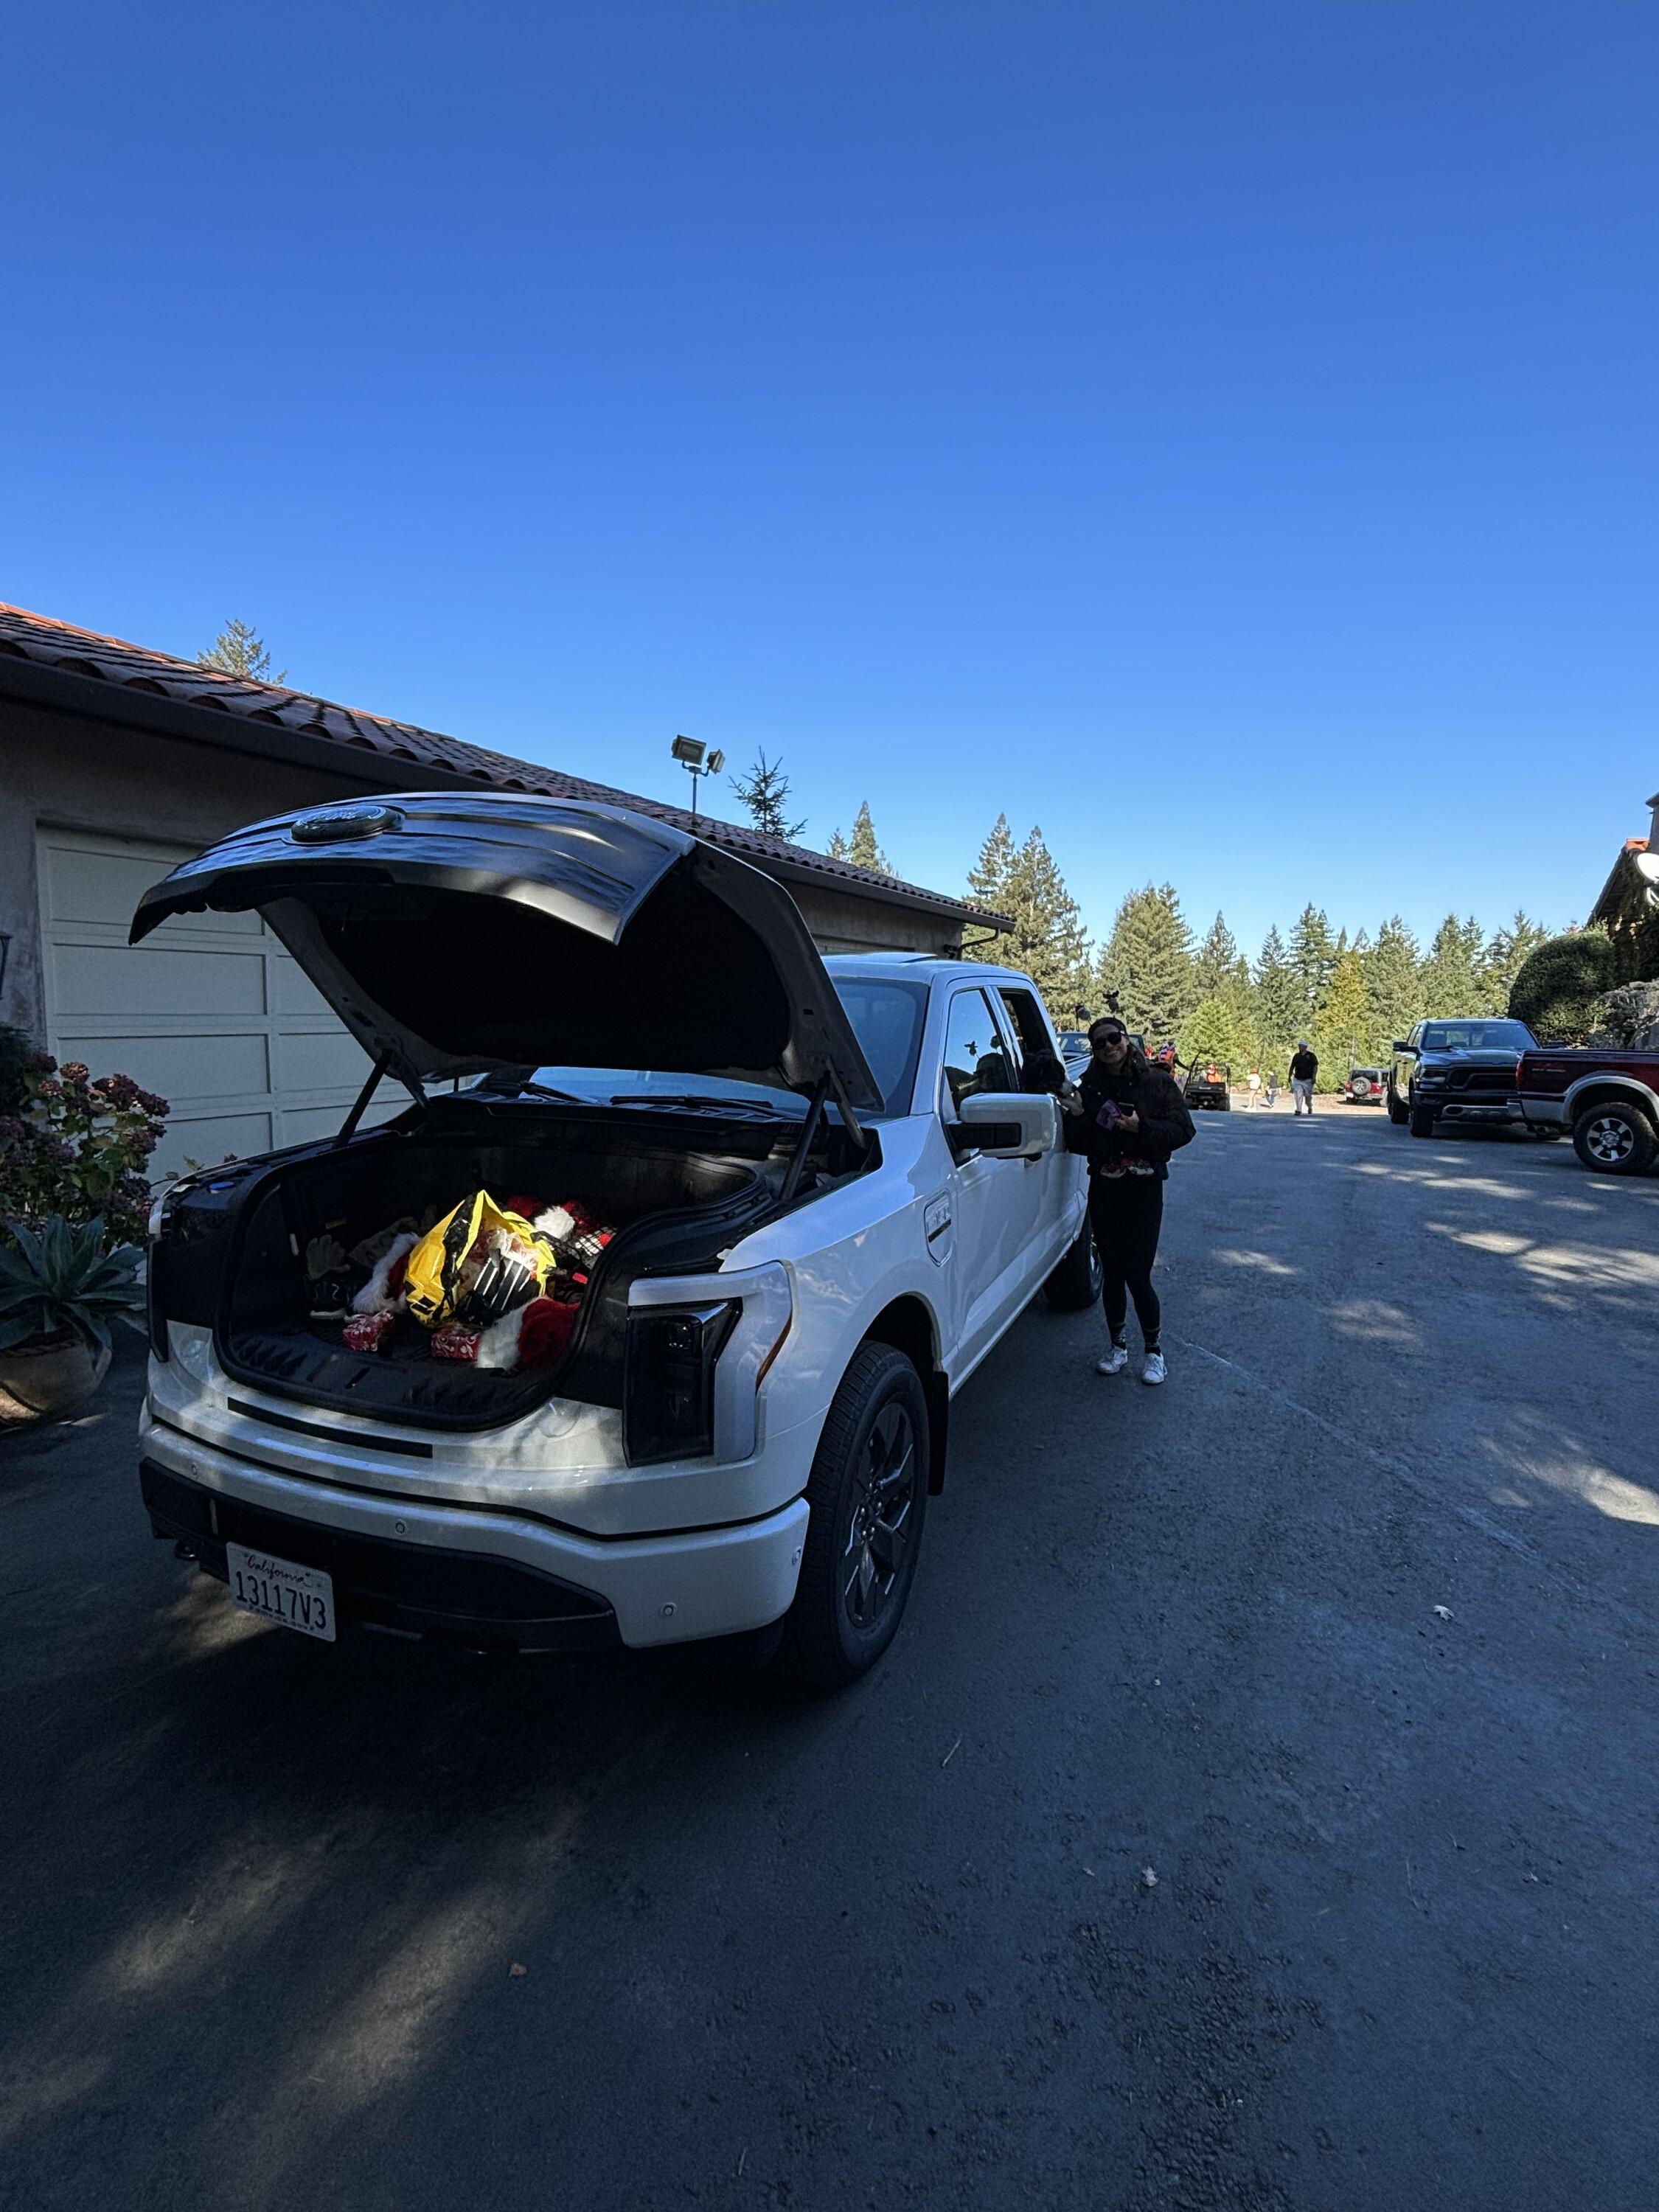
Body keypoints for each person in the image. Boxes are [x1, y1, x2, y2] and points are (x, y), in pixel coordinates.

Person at [1062, 1017, 1194, 1385]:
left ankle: (1154, 1353)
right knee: (1113, 1273)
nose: (1108, 1047)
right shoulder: (1090, 1087)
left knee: (1138, 1274)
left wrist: (1142, 1128)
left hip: (1144, 1190)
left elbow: (1185, 1130)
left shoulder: (1157, 1082)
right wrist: (1076, 1116)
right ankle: (1117, 1346)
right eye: (1099, 1043)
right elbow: (1078, 1143)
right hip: (1105, 1188)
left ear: (1126, 1039)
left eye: (1113, 1039)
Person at [1290, 1040, 1319, 1115]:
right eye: (1299, 1046)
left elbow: (1315, 1067)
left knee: (1308, 1096)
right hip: (1298, 1079)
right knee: (1298, 1094)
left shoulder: (1311, 1056)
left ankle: (1310, 1106)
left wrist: (1314, 1077)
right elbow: (1292, 1066)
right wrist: (1289, 1075)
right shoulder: (1296, 1056)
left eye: (1301, 1046)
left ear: (1306, 1047)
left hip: (1308, 1079)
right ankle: (1299, 1109)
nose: (1300, 1047)